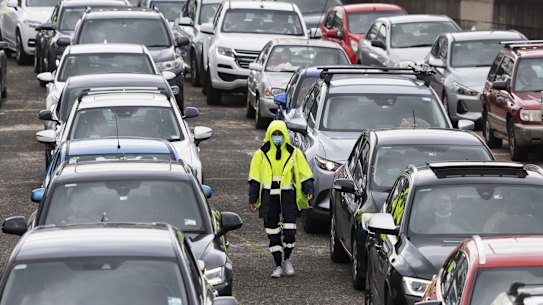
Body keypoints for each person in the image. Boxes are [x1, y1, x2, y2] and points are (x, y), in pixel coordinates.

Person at [248, 120, 314, 278]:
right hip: (269, 198)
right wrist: (253, 198)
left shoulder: (294, 153)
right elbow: (254, 178)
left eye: (280, 134)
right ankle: (277, 264)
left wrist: (308, 189)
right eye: (274, 134)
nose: (277, 137)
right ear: (269, 135)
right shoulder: (261, 154)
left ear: (285, 135)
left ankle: (287, 259)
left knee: (290, 231)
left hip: (288, 197)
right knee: (272, 231)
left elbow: (305, 173)